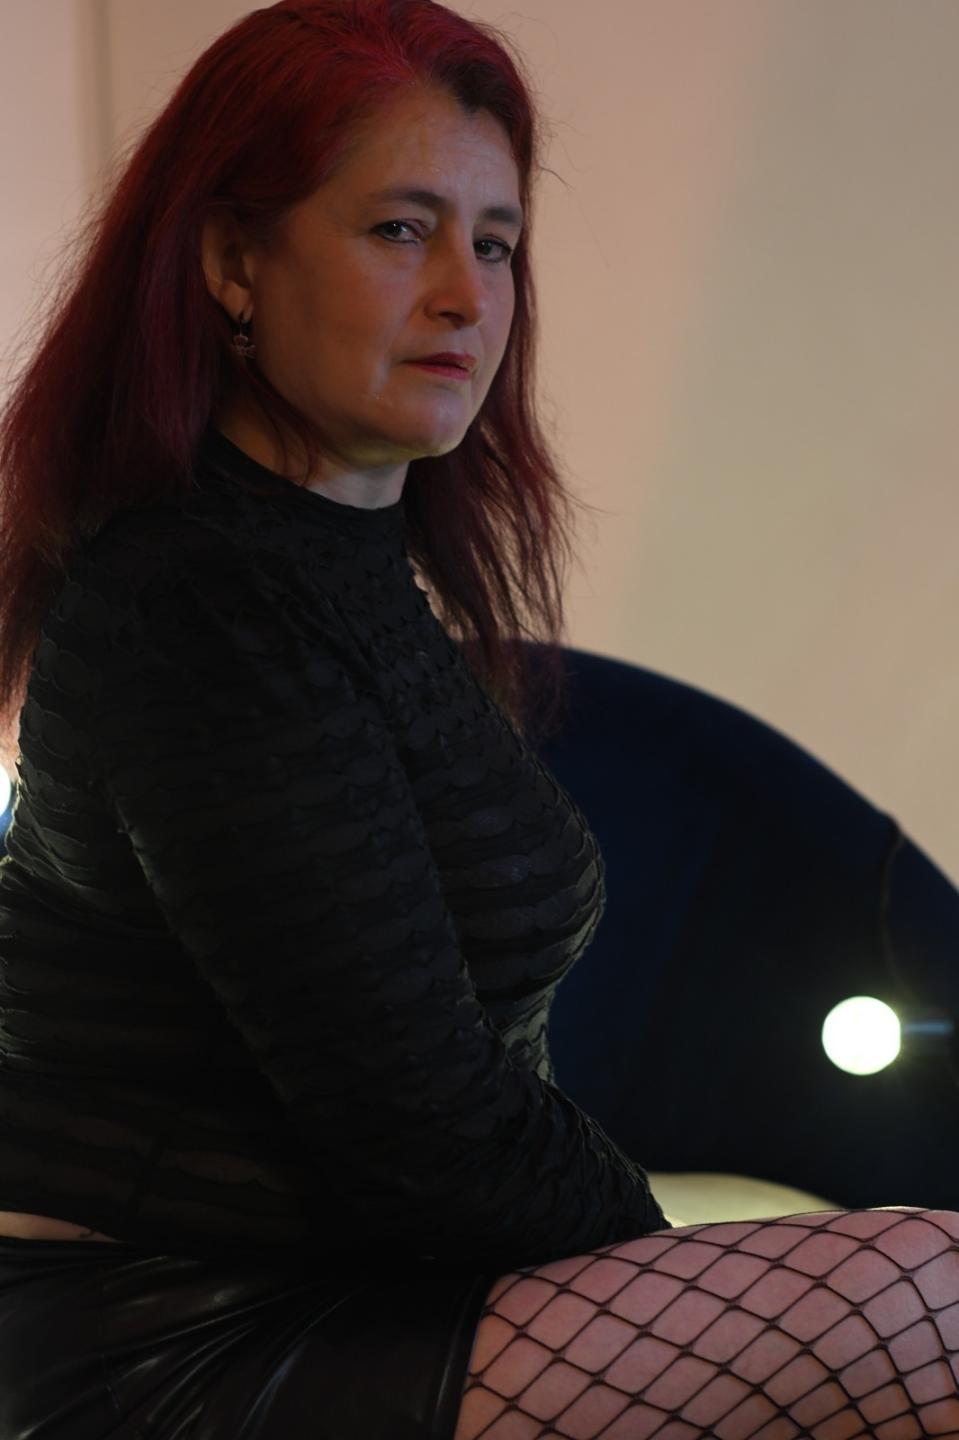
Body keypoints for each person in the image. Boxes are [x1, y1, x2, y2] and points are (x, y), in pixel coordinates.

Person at [0, 3, 956, 1437]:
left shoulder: (347, 576)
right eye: (402, 230)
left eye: (496, 243)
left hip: (363, 1290)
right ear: (232, 262)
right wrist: (685, 1286)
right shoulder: (193, 607)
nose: (467, 295)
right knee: (928, 1299)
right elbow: (416, 1117)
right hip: (170, 1341)